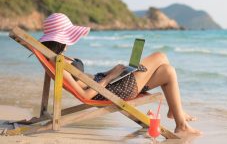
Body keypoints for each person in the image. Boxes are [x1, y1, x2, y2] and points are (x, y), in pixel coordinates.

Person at [39, 13, 201, 136]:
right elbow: (84, 93)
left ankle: (177, 116)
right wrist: (110, 77)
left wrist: (111, 72)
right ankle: (180, 122)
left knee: (168, 71)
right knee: (161, 57)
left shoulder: (56, 58)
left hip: (107, 84)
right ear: (60, 39)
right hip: (109, 92)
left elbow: (87, 78)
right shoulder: (58, 63)